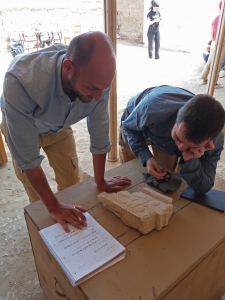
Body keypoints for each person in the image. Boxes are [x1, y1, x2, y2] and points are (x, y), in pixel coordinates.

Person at [0, 31, 131, 233]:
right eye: (92, 89)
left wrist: (100, 180)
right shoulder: (20, 81)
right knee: (38, 199)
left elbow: (99, 128)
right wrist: (53, 206)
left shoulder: (98, 78)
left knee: (71, 180)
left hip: (60, 125)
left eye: (102, 90)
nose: (98, 98)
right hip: (24, 126)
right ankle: (50, 234)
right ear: (68, 68)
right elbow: (28, 158)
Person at [119, 85, 225, 194]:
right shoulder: (152, 107)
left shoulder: (216, 140)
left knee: (163, 179)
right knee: (131, 173)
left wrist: (189, 159)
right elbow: (128, 127)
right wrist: (146, 157)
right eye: (178, 137)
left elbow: (204, 187)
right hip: (135, 123)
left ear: (207, 143)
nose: (180, 147)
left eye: (190, 146)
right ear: (176, 119)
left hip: (164, 138)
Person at [200, 1, 225, 86]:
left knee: (210, 62)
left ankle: (204, 79)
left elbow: (211, 33)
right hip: (222, 44)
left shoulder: (216, 18)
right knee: (217, 64)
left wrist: (212, 41)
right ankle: (213, 83)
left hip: (214, 42)